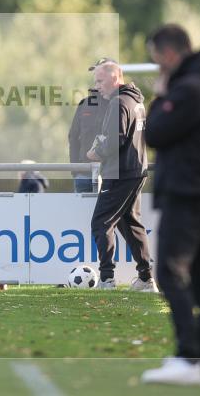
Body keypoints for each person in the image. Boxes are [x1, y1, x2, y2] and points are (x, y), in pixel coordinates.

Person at [141, 24, 200, 386]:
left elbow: (155, 133)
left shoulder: (190, 89)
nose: (158, 69)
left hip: (188, 193)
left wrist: (162, 97)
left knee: (170, 273)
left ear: (168, 54)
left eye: (157, 61)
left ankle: (189, 354)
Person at [84, 61, 154, 291]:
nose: (97, 87)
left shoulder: (119, 102)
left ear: (115, 78)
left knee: (101, 223)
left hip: (120, 173)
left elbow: (117, 137)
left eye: (100, 81)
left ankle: (107, 279)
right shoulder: (135, 101)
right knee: (129, 223)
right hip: (135, 170)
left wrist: (97, 152)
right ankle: (146, 278)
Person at [68, 58, 109, 193]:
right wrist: (76, 170)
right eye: (95, 73)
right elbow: (72, 137)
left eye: (100, 72)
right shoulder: (84, 103)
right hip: (83, 175)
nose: (96, 77)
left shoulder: (119, 102)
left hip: (110, 176)